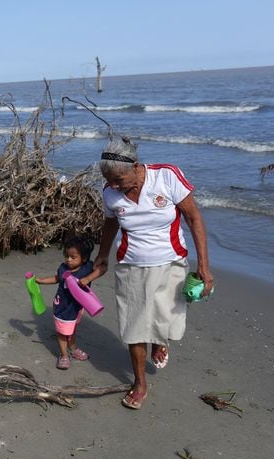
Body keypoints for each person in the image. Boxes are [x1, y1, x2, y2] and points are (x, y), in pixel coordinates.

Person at [90, 136, 214, 409]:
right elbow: (110, 223)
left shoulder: (167, 177)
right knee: (134, 326)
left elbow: (194, 218)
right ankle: (140, 382)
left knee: (166, 317)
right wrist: (102, 254)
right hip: (131, 265)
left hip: (171, 263)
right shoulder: (110, 193)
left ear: (136, 166)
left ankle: (159, 341)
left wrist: (203, 265)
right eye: (109, 181)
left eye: (118, 179)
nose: (114, 186)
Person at [35, 235, 100, 370]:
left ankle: (73, 347)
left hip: (77, 307)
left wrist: (88, 279)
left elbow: (101, 269)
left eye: (73, 257)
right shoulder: (63, 268)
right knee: (62, 332)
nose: (68, 260)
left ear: (84, 258)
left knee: (72, 329)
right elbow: (57, 278)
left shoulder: (87, 268)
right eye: (67, 256)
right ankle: (64, 355)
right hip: (63, 307)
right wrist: (41, 280)